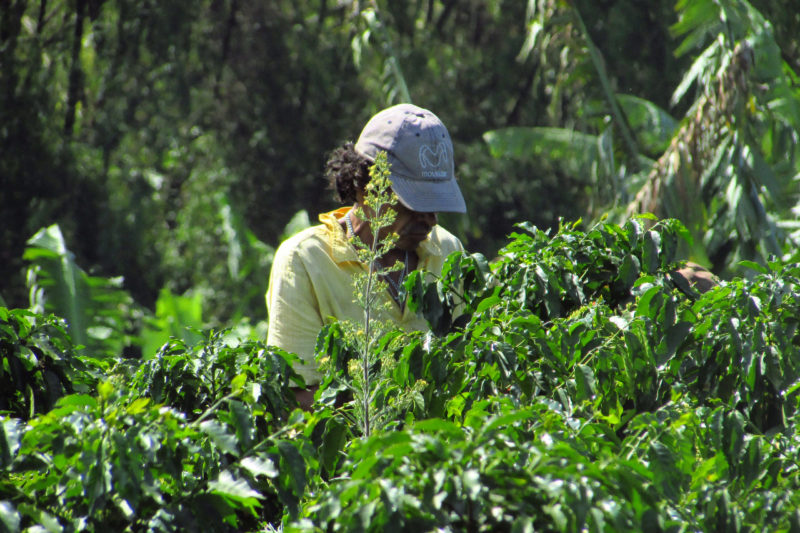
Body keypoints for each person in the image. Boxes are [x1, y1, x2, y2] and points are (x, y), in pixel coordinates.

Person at [265, 104, 467, 408]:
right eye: (413, 203)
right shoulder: (305, 261)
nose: (430, 219)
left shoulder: (448, 251)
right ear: (363, 186)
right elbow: (296, 395)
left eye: (435, 203)